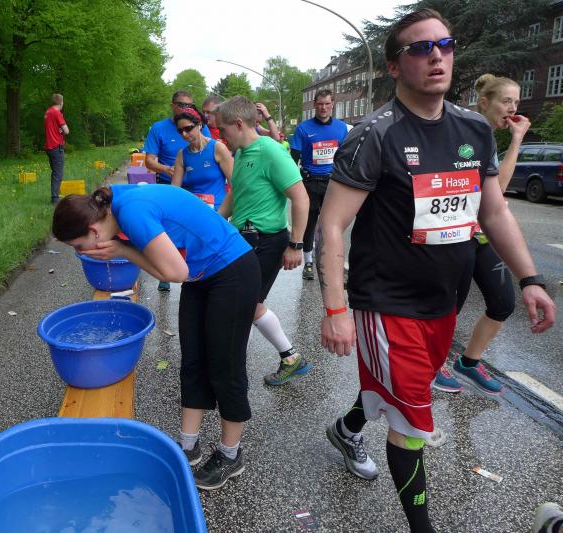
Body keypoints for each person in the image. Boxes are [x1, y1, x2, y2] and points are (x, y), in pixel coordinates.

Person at [317, 9, 555, 532]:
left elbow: (493, 211)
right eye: (421, 48)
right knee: (411, 422)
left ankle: (347, 428)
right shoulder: (374, 134)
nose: (437, 57)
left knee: (406, 394)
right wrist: (335, 308)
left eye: (444, 45)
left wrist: (530, 279)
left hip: (444, 302)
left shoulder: (474, 128)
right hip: (386, 303)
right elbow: (331, 225)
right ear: (394, 66)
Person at [52, 185, 260, 491]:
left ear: (94, 232)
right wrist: (124, 249)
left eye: (78, 246)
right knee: (192, 361)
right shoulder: (108, 207)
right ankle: (188, 446)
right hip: (200, 275)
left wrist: (123, 251)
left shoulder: (131, 212)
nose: (80, 253)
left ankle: (231, 455)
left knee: (224, 367)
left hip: (232, 271)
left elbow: (175, 272)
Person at [432, 73, 532, 395]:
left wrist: (514, 140)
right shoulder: (469, 133)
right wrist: (517, 141)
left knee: (503, 303)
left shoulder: (487, 137)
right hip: (455, 235)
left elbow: (495, 194)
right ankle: (433, 364)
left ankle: (469, 362)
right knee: (449, 310)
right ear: (485, 102)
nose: (513, 108)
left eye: (516, 102)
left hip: (482, 235)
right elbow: (498, 188)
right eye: (506, 101)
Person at [214, 96, 312, 386]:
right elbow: (236, 194)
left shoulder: (270, 151)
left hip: (268, 242)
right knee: (247, 304)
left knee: (246, 304)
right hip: (245, 241)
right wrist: (214, 223)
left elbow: (301, 198)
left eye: (223, 129)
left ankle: (236, 371)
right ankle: (289, 358)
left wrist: (296, 245)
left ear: (238, 124)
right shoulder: (242, 153)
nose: (221, 136)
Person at [143, 90, 211, 291]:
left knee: (196, 228)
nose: (185, 109)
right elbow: (149, 161)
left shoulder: (199, 126)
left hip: (196, 185)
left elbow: (208, 150)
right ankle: (166, 273)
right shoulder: (159, 128)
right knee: (167, 230)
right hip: (168, 182)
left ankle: (198, 271)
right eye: (181, 105)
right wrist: (168, 169)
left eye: (189, 105)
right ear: (172, 105)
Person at [290, 89, 350, 281]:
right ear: (315, 105)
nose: (323, 108)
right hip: (310, 182)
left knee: (332, 225)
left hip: (332, 183)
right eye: (320, 104)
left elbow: (345, 156)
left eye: (327, 104)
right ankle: (308, 262)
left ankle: (331, 263)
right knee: (309, 224)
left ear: (332, 105)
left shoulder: (341, 128)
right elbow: (293, 160)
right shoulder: (303, 128)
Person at [172, 107, 233, 211]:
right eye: (180, 131)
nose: (184, 134)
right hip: (194, 210)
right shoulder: (182, 154)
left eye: (188, 128)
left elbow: (235, 186)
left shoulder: (218, 148)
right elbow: (174, 190)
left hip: (217, 211)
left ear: (199, 125)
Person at [44, 93, 69, 205]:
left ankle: (56, 194)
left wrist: (59, 130)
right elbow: (66, 130)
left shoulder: (48, 112)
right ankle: (55, 198)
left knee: (55, 172)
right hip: (56, 146)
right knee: (58, 173)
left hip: (49, 146)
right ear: (61, 102)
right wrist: (62, 130)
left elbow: (53, 128)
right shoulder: (57, 113)